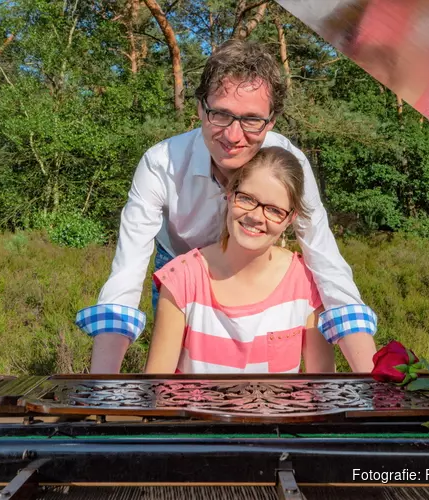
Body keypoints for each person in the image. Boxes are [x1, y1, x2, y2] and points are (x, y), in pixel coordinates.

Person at [75, 39, 378, 373]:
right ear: (201, 108)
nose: (233, 136)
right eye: (220, 114)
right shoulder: (160, 164)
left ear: (272, 120)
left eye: (251, 120)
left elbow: (326, 261)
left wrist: (371, 379)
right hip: (180, 267)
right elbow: (127, 274)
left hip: (259, 268)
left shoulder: (290, 163)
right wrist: (102, 388)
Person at [145, 147, 359, 373]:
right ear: (230, 194)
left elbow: (322, 389)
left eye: (274, 210)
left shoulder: (306, 282)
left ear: (291, 219)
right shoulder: (182, 279)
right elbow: (158, 389)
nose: (256, 217)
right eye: (247, 199)